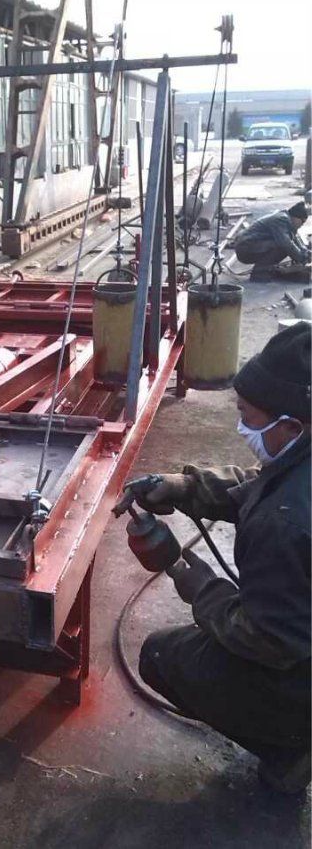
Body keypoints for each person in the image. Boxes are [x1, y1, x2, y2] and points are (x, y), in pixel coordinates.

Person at [135, 321, 311, 794]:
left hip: (300, 664)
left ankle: (291, 749)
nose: (241, 426)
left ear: (291, 425)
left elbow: (270, 640)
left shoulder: (286, 522)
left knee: (159, 656)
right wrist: (185, 487)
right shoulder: (301, 458)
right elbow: (263, 483)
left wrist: (199, 586)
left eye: (247, 415)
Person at [234, 201, 310, 267]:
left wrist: (305, 251)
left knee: (286, 245)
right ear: (296, 217)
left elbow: (295, 238)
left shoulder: (286, 218)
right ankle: (261, 272)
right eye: (302, 221)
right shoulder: (282, 220)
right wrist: (301, 258)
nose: (302, 224)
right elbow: (286, 243)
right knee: (283, 247)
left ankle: (264, 270)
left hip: (249, 245)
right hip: (245, 248)